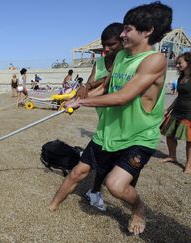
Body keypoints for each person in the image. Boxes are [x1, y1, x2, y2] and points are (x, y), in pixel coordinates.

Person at [50, 2, 172, 236]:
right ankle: (53, 204)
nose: (122, 34)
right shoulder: (121, 56)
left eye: (127, 29)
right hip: (109, 131)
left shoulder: (154, 60)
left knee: (115, 185)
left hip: (139, 136)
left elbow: (123, 97)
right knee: (77, 172)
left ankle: (138, 208)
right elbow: (106, 88)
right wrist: (73, 98)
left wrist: (81, 102)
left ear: (147, 31)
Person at [75, 22, 125, 211]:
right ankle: (96, 190)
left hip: (119, 110)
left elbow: (107, 81)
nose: (106, 49)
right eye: (104, 45)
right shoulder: (99, 62)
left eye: (111, 44)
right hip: (103, 111)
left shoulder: (123, 59)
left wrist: (88, 89)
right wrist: (81, 92)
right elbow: (90, 84)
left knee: (111, 156)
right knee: (105, 155)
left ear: (122, 41)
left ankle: (98, 190)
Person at [160, 52, 191, 174]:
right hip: (177, 110)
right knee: (169, 134)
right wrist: (169, 109)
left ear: (189, 62)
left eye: (180, 63)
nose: (177, 65)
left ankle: (189, 165)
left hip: (189, 113)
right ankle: (172, 156)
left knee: (190, 140)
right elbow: (179, 96)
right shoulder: (180, 78)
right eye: (177, 63)